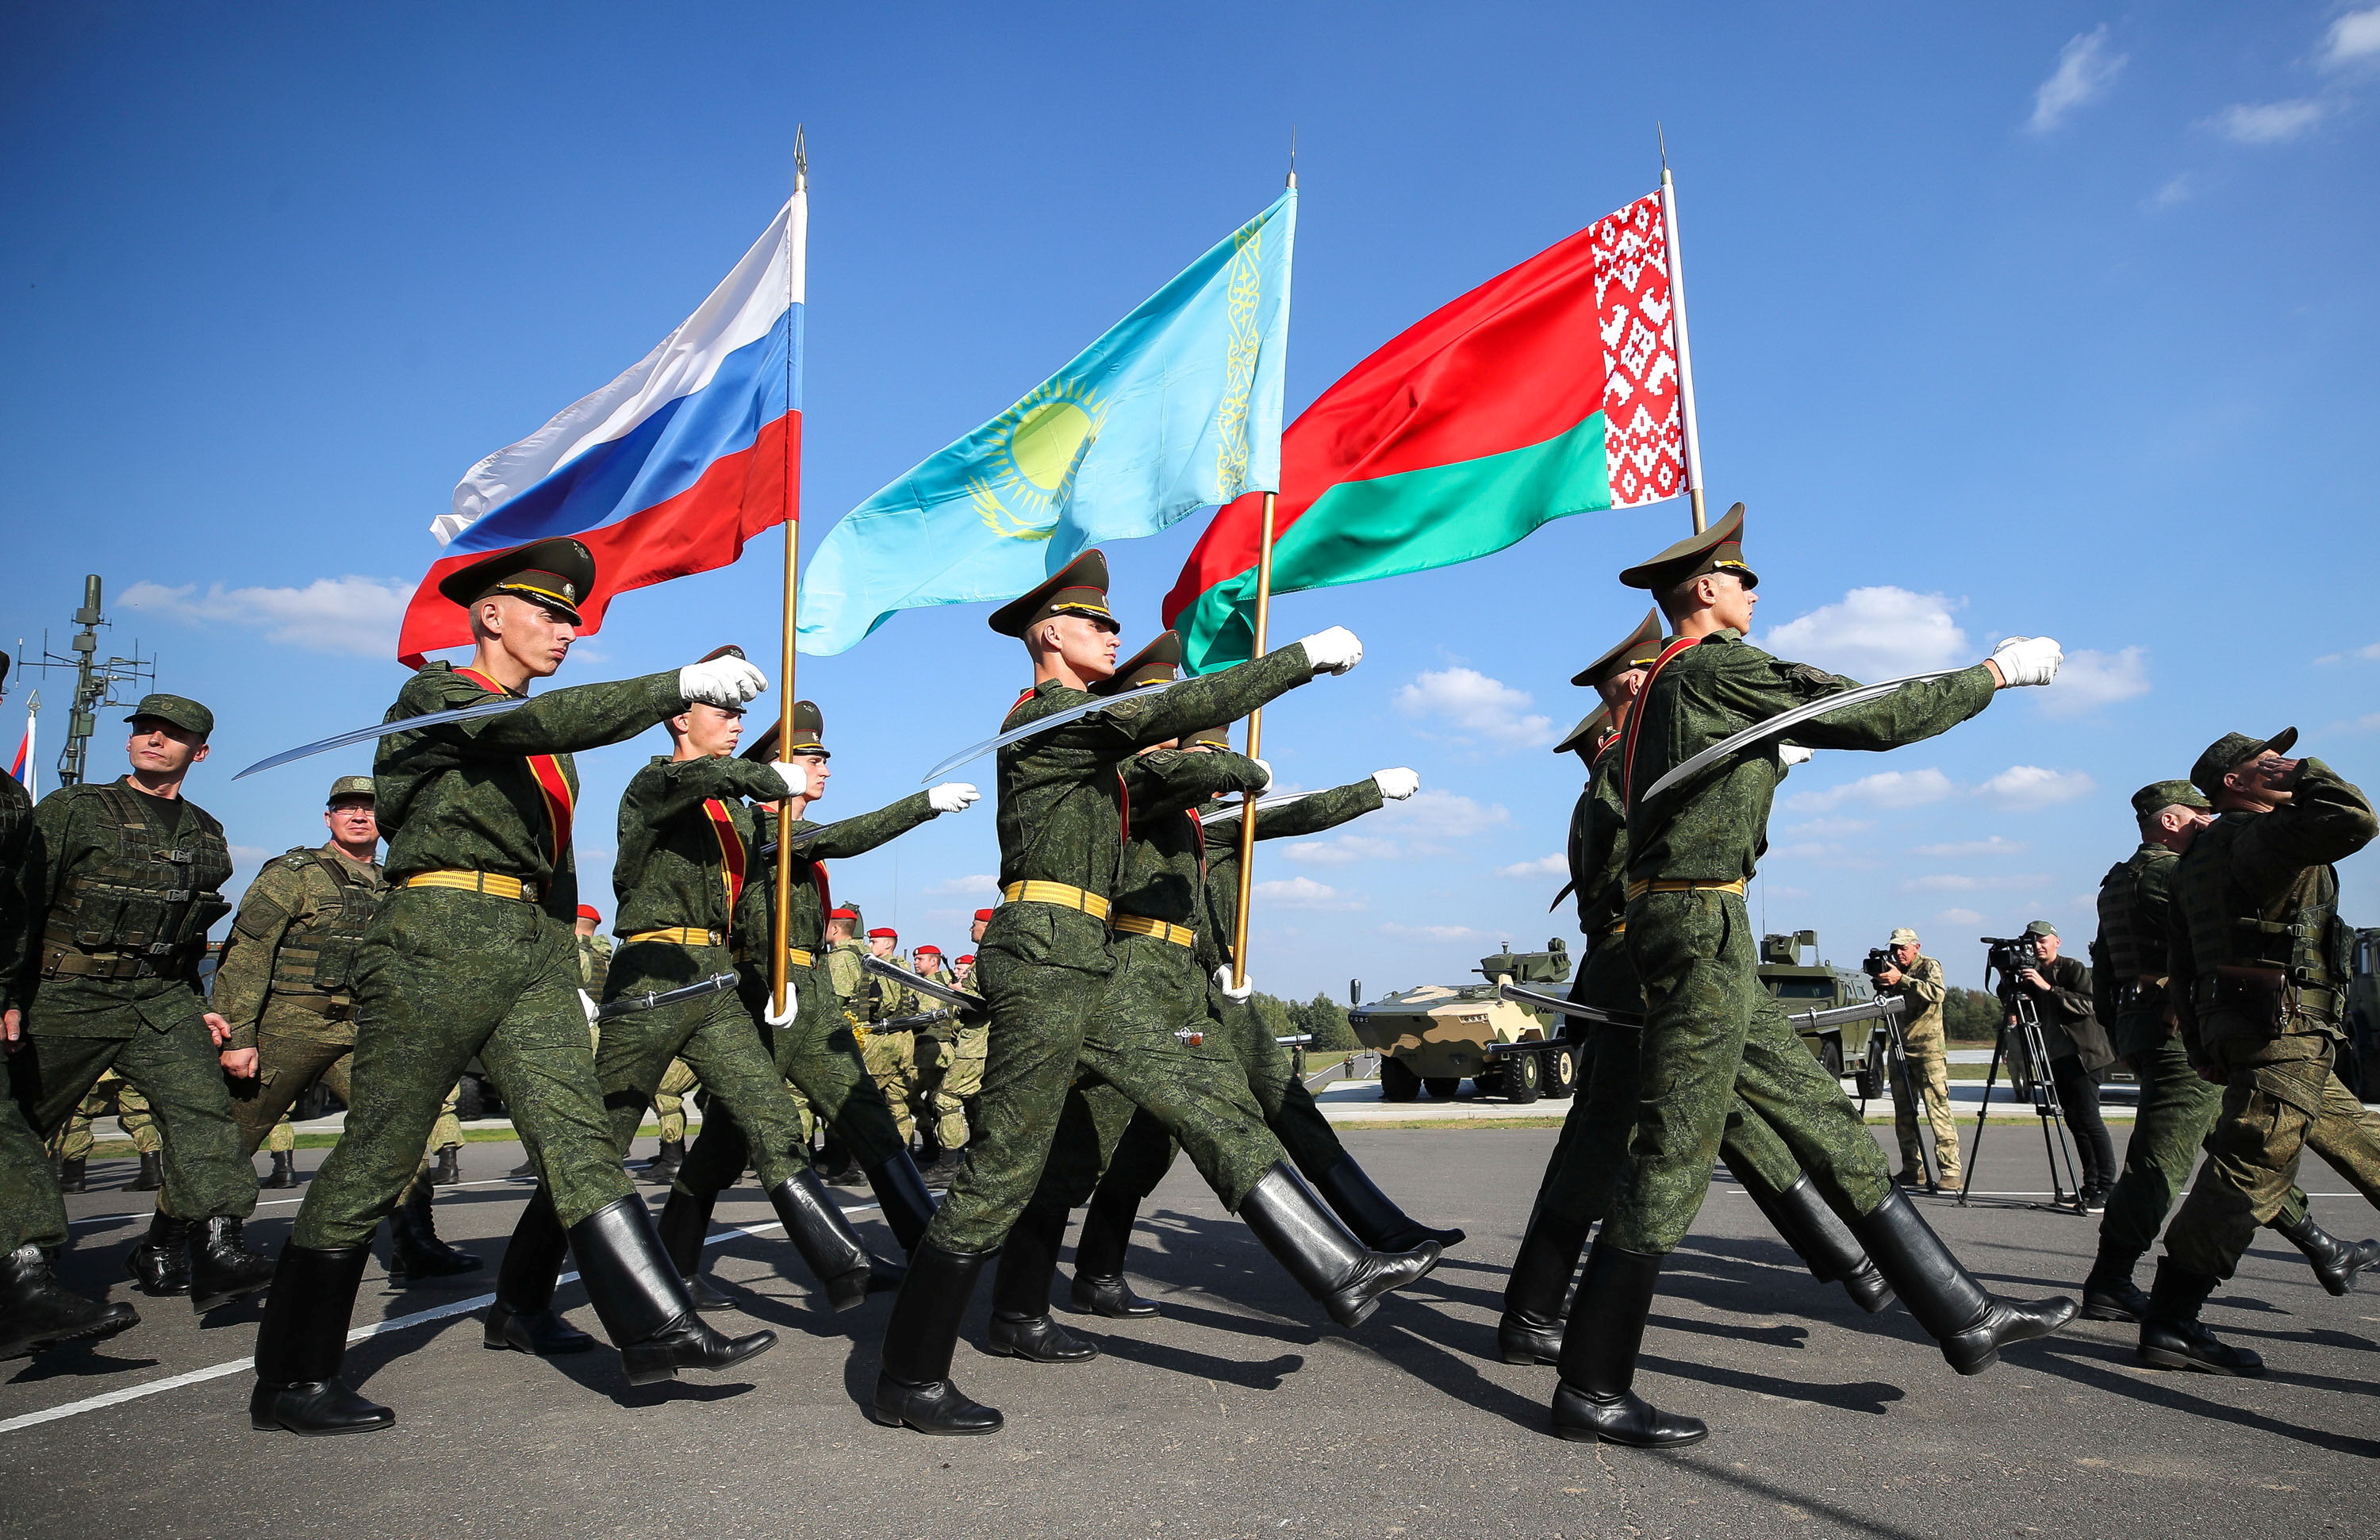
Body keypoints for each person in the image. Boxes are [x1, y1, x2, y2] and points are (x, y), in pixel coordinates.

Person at [869, 554, 1435, 1438]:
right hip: (1048, 956)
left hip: (1088, 959)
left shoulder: (1092, 746)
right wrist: (1296, 661)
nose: (1114, 634)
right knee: (1005, 1171)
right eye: (1096, 625)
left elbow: (1175, 758)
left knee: (1204, 1097)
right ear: (1048, 636)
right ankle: (908, 1376)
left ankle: (1341, 1268)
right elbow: (1170, 724)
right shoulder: (1050, 715)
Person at [1554, 505, 2075, 1448]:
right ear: (1707, 590)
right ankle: (1590, 1385)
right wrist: (1991, 675)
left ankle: (1965, 1316)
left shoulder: (1679, 686)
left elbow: (1712, 795)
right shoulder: (1713, 667)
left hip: (1708, 922)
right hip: (1699, 922)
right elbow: (1871, 715)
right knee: (1671, 1154)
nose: (1756, 594)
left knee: (1825, 1122)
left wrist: (1773, 762)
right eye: (1745, 581)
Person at [247, 538, 777, 1436]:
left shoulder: (547, 748)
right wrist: (677, 685)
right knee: (379, 1154)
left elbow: (556, 862)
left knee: (579, 1139)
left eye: (574, 618)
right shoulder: (439, 697)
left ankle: (657, 1328)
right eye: (550, 613)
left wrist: (561, 961)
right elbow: (527, 725)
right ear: (490, 615)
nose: (567, 630)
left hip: (527, 947)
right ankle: (292, 1378)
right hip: (434, 942)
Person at [1497, 610, 1891, 1369]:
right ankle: (1857, 1263)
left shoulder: (1615, 770)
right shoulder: (1624, 765)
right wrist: (1767, 762)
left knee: (1637, 1138)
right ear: (1630, 688)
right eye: (1645, 680)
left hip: (1625, 963)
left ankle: (1534, 1312)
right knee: (1696, 1127)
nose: (1659, 687)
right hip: (1640, 965)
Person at [494, 693, 908, 1328]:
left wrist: (919, 807)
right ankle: (520, 1302)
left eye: (740, 716)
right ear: (680, 720)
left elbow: (830, 837)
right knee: (597, 1145)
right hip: (653, 974)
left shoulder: (737, 817)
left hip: (713, 978)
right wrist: (771, 775)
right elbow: (708, 778)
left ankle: (842, 1262)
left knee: (771, 1119)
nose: (736, 725)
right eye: (723, 714)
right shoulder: (655, 783)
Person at [1069, 713, 1466, 1322]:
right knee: (1153, 1138)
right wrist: (1368, 790)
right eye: (1207, 767)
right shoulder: (1193, 816)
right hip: (1176, 991)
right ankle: (1088, 1268)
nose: (1221, 789)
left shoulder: (1210, 820)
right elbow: (1293, 812)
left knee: (1286, 1105)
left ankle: (1382, 1229)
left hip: (1220, 989)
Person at [659, 703, 966, 1297]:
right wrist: (920, 805)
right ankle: (675, 1263)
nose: (824, 769)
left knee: (866, 1116)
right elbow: (841, 839)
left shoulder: (799, 838)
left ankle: (929, 1247)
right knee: (727, 1140)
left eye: (824, 758)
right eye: (811, 759)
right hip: (764, 991)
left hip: (811, 991)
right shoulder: (757, 829)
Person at [7, 693, 275, 1315]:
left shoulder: (207, 834)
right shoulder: (77, 809)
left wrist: (195, 1000)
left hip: (157, 998)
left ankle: (219, 1248)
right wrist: (9, 995)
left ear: (198, 751)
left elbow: (187, 929)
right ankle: (21, 1270)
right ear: (128, 742)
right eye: (144, 729)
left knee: (203, 1112)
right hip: (64, 992)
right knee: (19, 1123)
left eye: (171, 734)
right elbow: (22, 902)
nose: (154, 739)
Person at [2081, 780, 2373, 1322]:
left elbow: (2104, 967)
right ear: (2170, 821)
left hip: (2148, 1028)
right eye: (2200, 813)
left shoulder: (2116, 881)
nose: (2210, 821)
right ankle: (2112, 1279)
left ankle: (2322, 1246)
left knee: (2246, 1146)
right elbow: (2207, 938)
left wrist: (2121, 1032)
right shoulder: (2173, 872)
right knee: (2165, 1161)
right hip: (2187, 1032)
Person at [2139, 728, 2380, 1376]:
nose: (2279, 764)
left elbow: (2182, 962)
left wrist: (2201, 1040)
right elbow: (2357, 818)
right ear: (2233, 785)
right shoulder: (2261, 837)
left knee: (2359, 1135)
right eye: (2263, 762)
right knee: (2249, 1168)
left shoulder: (2201, 857)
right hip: (2285, 1030)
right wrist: (2305, 772)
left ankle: (2173, 1320)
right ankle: (2173, 1319)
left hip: (2255, 1031)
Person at [202, 775, 478, 1282]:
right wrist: (239, 1035)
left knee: (397, 1131)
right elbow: (249, 952)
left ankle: (415, 1242)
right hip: (290, 1022)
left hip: (366, 1029)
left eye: (369, 809)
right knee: (234, 1133)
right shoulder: (295, 874)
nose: (358, 816)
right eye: (345, 807)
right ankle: (198, 1244)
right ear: (327, 817)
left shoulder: (401, 882)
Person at [0, 649, 142, 1360]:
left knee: (7, 1127)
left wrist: (8, 991)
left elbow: (14, 907)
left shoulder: (6, 799)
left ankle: (25, 1280)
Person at [2002, 921, 2115, 1211]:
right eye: (2033, 942)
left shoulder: (2072, 968)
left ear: (2057, 942)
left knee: (2090, 1120)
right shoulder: (2032, 974)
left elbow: (2088, 1005)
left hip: (2084, 1055)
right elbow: (2013, 1005)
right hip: (2056, 1057)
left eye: (2043, 941)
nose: (2038, 946)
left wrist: (2049, 988)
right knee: (2075, 1122)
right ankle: (2090, 1186)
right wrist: (2009, 976)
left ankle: (2107, 1187)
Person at [1874, 927, 1960, 1193]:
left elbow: (1937, 993)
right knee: (1904, 1113)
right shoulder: (1892, 968)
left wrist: (1902, 980)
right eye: (1895, 948)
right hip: (1900, 1046)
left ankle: (1950, 1171)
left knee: (1938, 1109)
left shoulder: (1928, 966)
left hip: (1928, 1050)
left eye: (1903, 948)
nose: (1898, 952)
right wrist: (1883, 983)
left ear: (1916, 947)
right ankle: (1913, 1168)